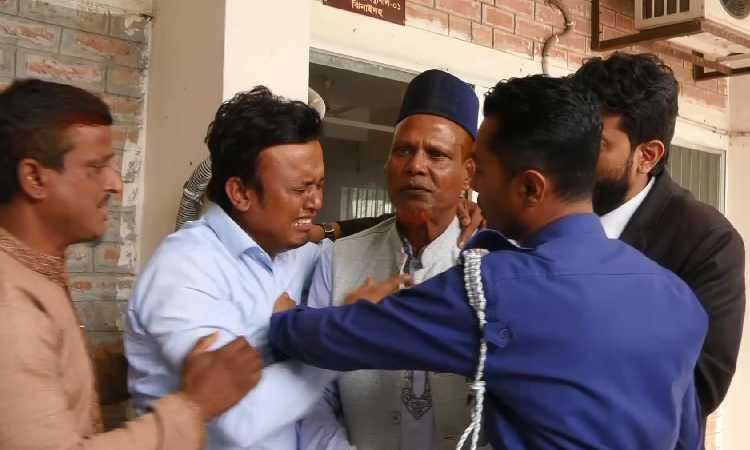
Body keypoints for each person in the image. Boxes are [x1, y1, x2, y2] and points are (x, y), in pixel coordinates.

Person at [269, 75, 708, 450]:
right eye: (402, 151)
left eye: (481, 170)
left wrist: (285, 319)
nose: (475, 185)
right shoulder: (676, 298)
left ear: (530, 188)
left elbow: (346, 334)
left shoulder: (496, 286)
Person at [0, 78, 262, 450]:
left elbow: (44, 378)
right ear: (34, 177)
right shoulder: (11, 307)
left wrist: (140, 360)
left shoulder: (34, 272)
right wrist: (195, 405)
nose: (115, 184)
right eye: (96, 168)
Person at [125, 86, 336, 450]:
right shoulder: (184, 269)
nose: (316, 202)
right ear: (241, 193)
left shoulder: (299, 254)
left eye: (319, 185)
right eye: (300, 189)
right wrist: (338, 343)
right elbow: (239, 418)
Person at [302, 69, 484, 450]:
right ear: (387, 165)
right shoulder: (338, 260)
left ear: (468, 173)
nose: (416, 165)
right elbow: (312, 392)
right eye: (403, 150)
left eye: (436, 154)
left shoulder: (492, 265)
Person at [573, 52, 745, 417]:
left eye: (595, 143)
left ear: (647, 155)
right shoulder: (545, 211)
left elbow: (702, 385)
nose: (571, 155)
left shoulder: (708, 240)